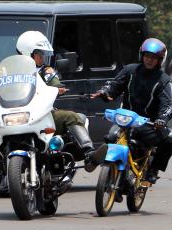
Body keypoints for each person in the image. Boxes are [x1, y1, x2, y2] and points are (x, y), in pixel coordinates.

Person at [91, 38, 172, 186]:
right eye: (147, 56)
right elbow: (114, 86)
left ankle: (153, 170)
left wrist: (162, 119)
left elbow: (168, 104)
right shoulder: (130, 71)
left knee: (171, 140)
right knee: (111, 136)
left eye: (154, 58)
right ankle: (93, 160)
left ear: (160, 60)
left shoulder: (164, 80)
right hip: (125, 120)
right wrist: (104, 92)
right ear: (142, 55)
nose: (149, 60)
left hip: (149, 124)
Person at [16, 31, 106, 172]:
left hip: (42, 115)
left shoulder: (46, 70)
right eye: (39, 53)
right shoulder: (10, 71)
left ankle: (89, 153)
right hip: (15, 116)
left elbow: (56, 84)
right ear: (28, 53)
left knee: (71, 116)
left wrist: (58, 88)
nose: (42, 57)